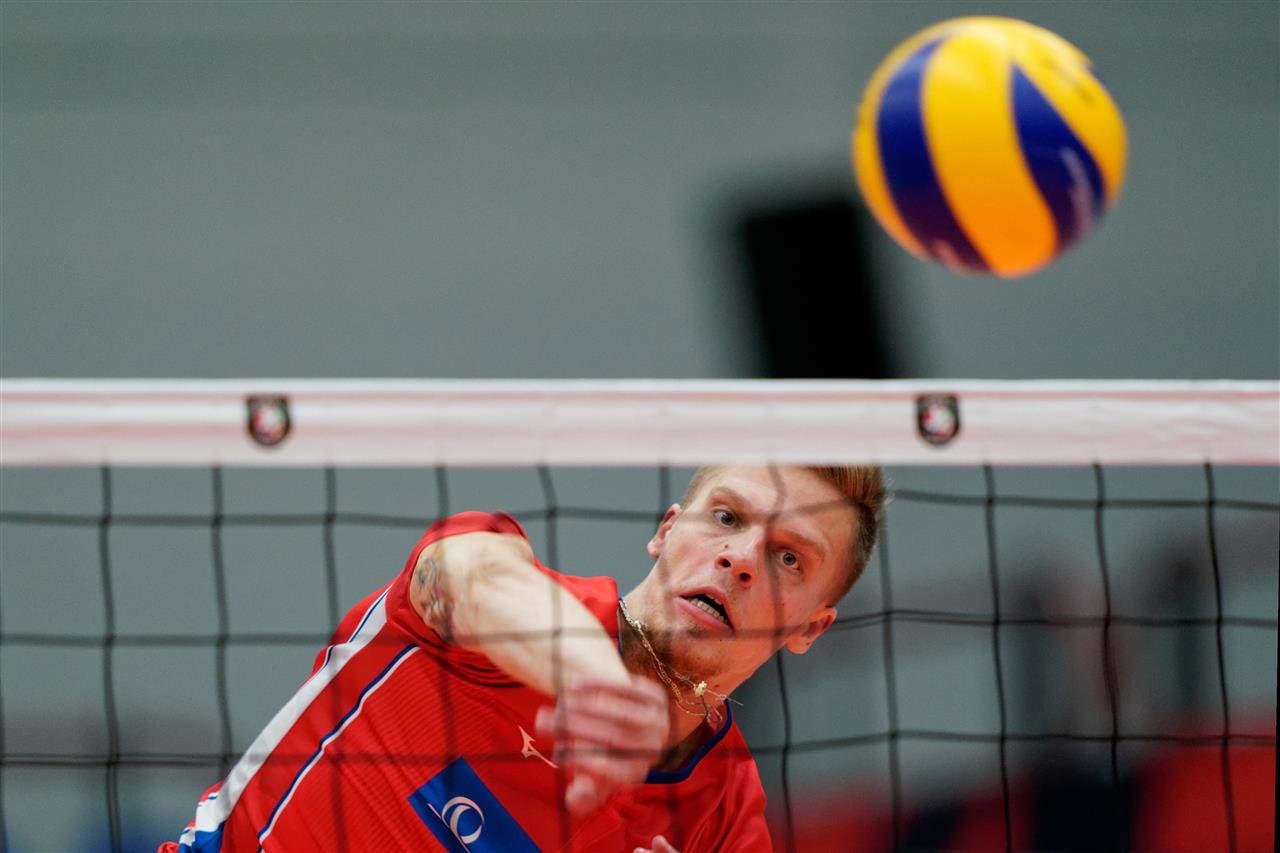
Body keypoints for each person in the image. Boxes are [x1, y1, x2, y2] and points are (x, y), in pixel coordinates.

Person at [163, 463, 884, 853]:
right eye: (726, 516)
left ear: (811, 627)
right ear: (667, 530)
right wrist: (596, 681)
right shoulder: (482, 595)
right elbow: (474, 581)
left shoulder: (724, 822)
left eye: (789, 557)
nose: (740, 557)